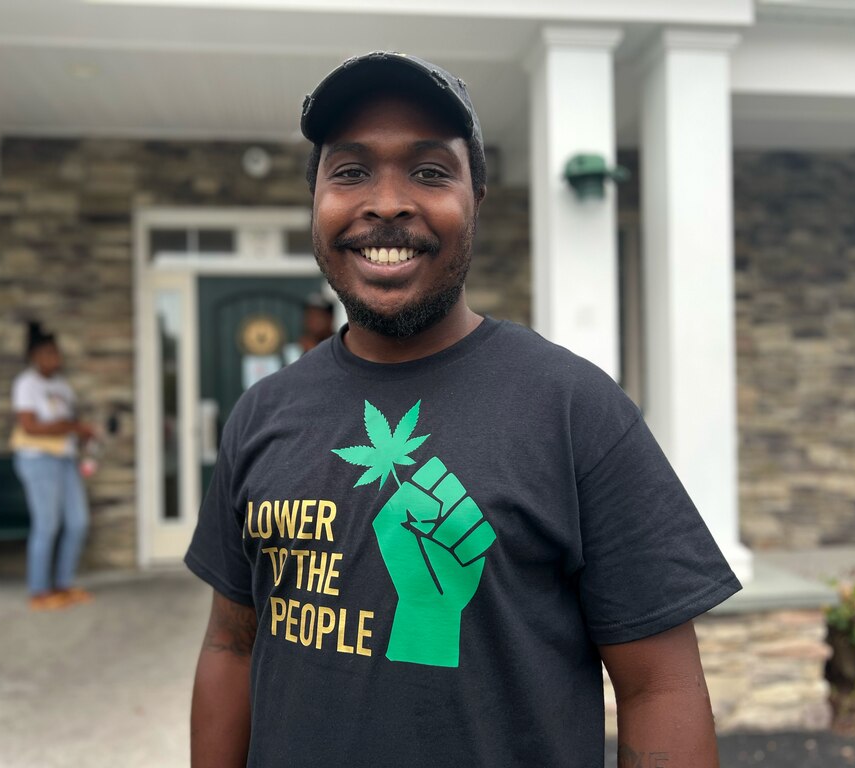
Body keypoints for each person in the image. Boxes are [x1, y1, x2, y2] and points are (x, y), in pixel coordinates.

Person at [186, 52, 742, 767]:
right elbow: (231, 645)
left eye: (429, 170)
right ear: (316, 199)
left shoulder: (574, 411)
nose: (387, 202)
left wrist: (429, 610)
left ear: (477, 194)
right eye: (350, 171)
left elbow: (659, 688)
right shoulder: (261, 414)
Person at [11, 321, 96, 611]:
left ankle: (63, 584)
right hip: (38, 460)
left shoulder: (61, 385)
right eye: (47, 354)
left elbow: (71, 420)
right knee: (47, 524)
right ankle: (39, 590)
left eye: (56, 354)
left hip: (66, 458)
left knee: (78, 521)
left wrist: (81, 432)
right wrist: (66, 427)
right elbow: (29, 426)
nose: (53, 359)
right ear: (34, 355)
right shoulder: (26, 384)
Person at [281, 294, 336, 364]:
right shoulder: (299, 346)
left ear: (330, 319)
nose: (311, 322)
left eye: (317, 317)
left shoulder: (339, 344)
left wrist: (312, 350)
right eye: (309, 316)